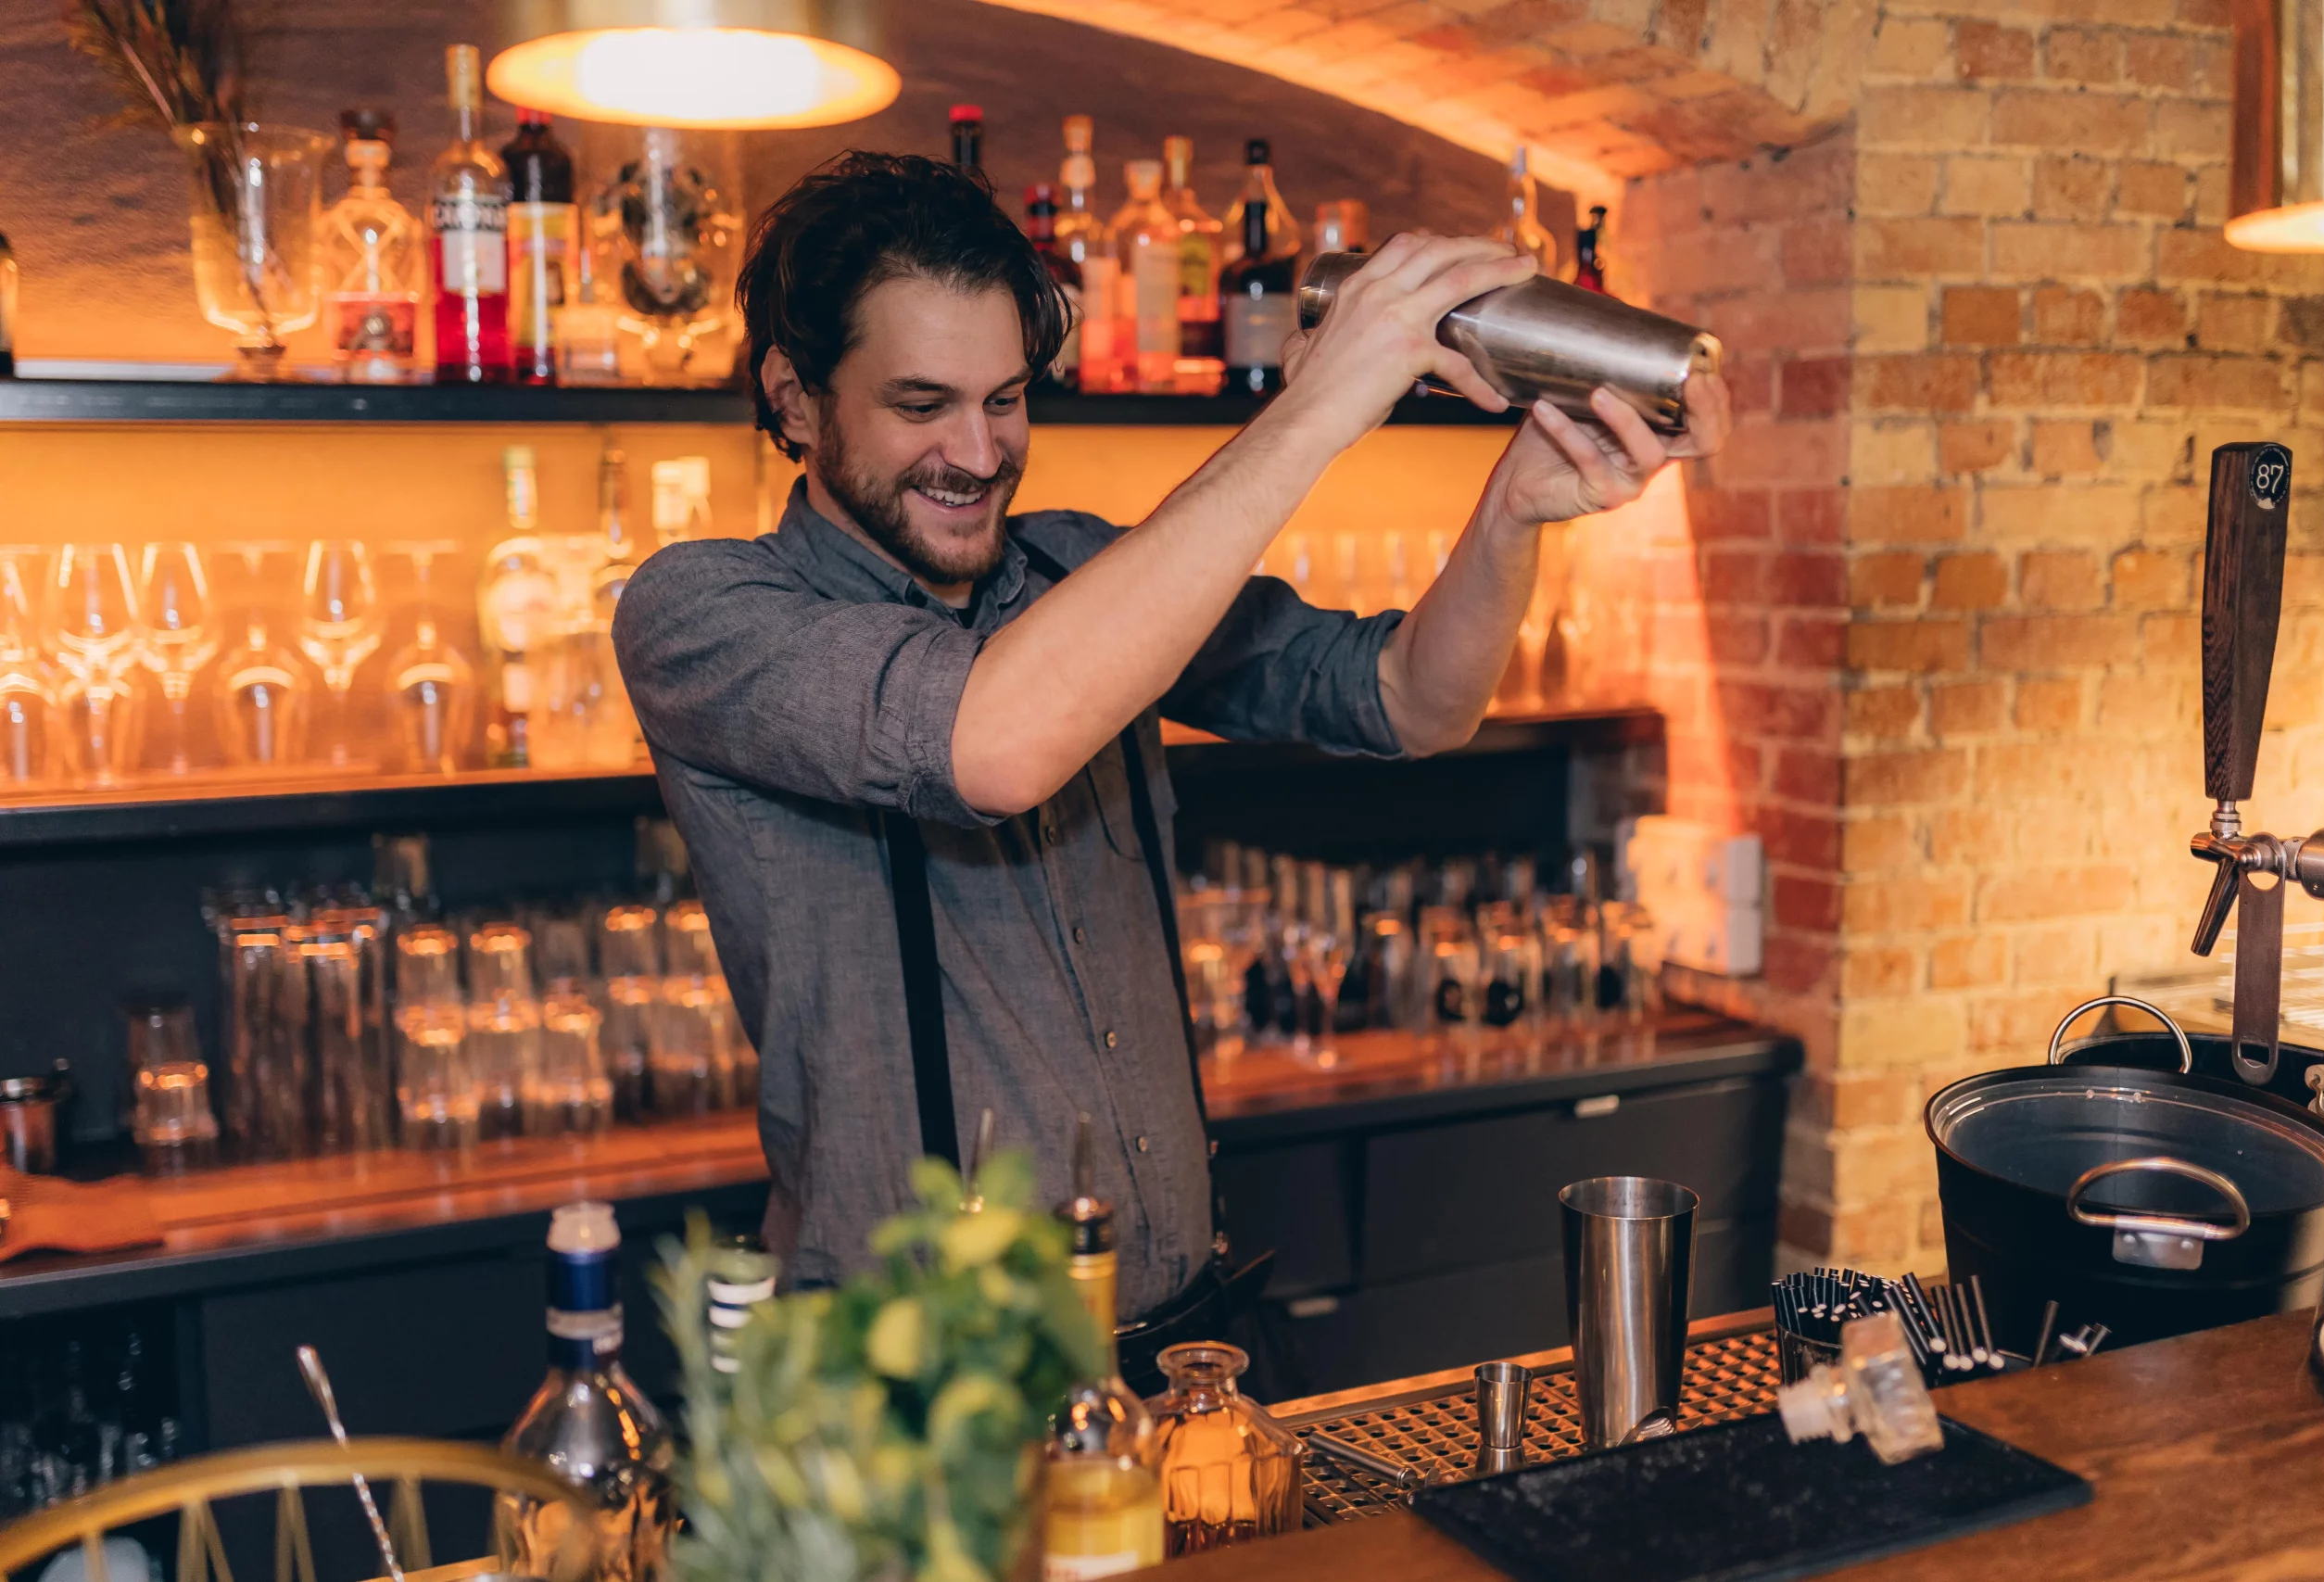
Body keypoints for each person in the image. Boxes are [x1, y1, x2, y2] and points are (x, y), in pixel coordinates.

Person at [611, 153, 1729, 1323]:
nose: (979, 455)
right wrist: (1312, 411)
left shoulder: (1082, 570)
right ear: (794, 400)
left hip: (1179, 1343)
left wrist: (1513, 509)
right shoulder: (703, 613)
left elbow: (1413, 699)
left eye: (1005, 400)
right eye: (921, 406)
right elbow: (991, 744)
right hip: (921, 1385)